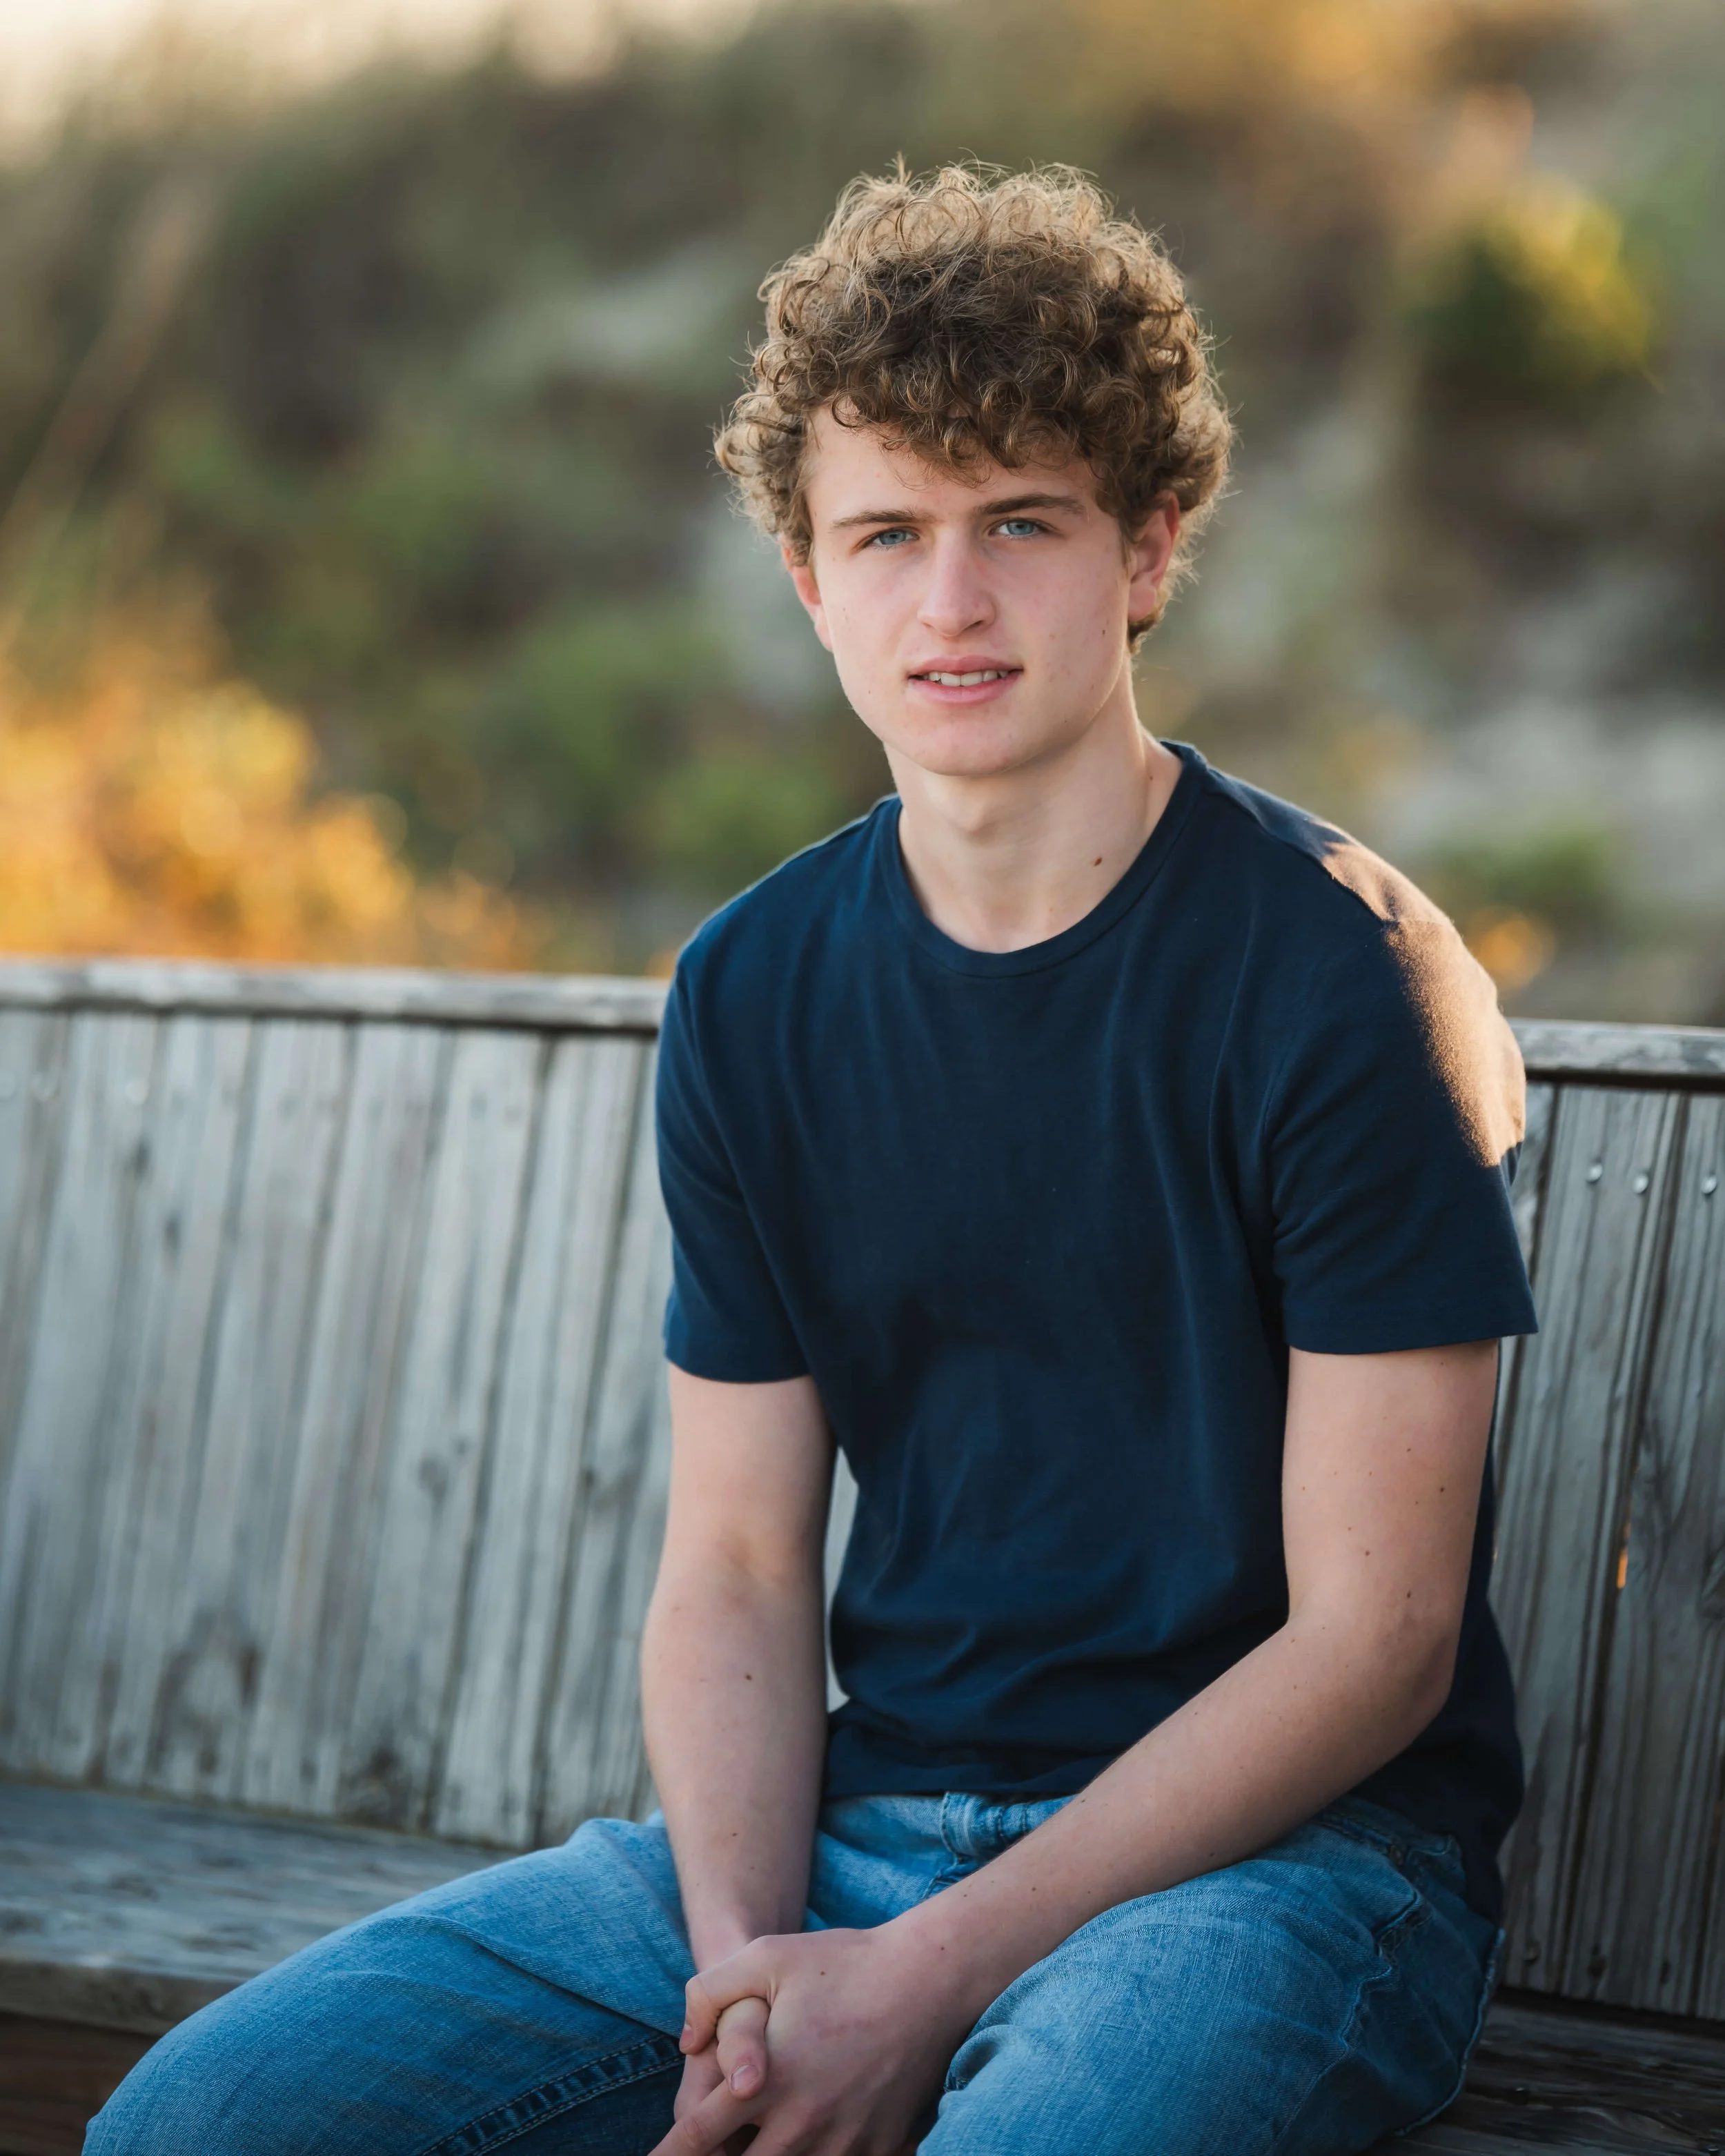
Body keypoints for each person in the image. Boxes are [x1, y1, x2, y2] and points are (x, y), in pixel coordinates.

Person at [89, 161, 1537, 2156]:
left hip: (1273, 1874)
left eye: (1019, 522)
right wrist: (749, 1977)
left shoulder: (1340, 982)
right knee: (201, 2126)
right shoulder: (753, 987)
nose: (949, 600)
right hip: (853, 1832)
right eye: (887, 533)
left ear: (1148, 545)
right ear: (807, 577)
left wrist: (923, 1979)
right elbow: (741, 1565)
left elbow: (1370, 1646)